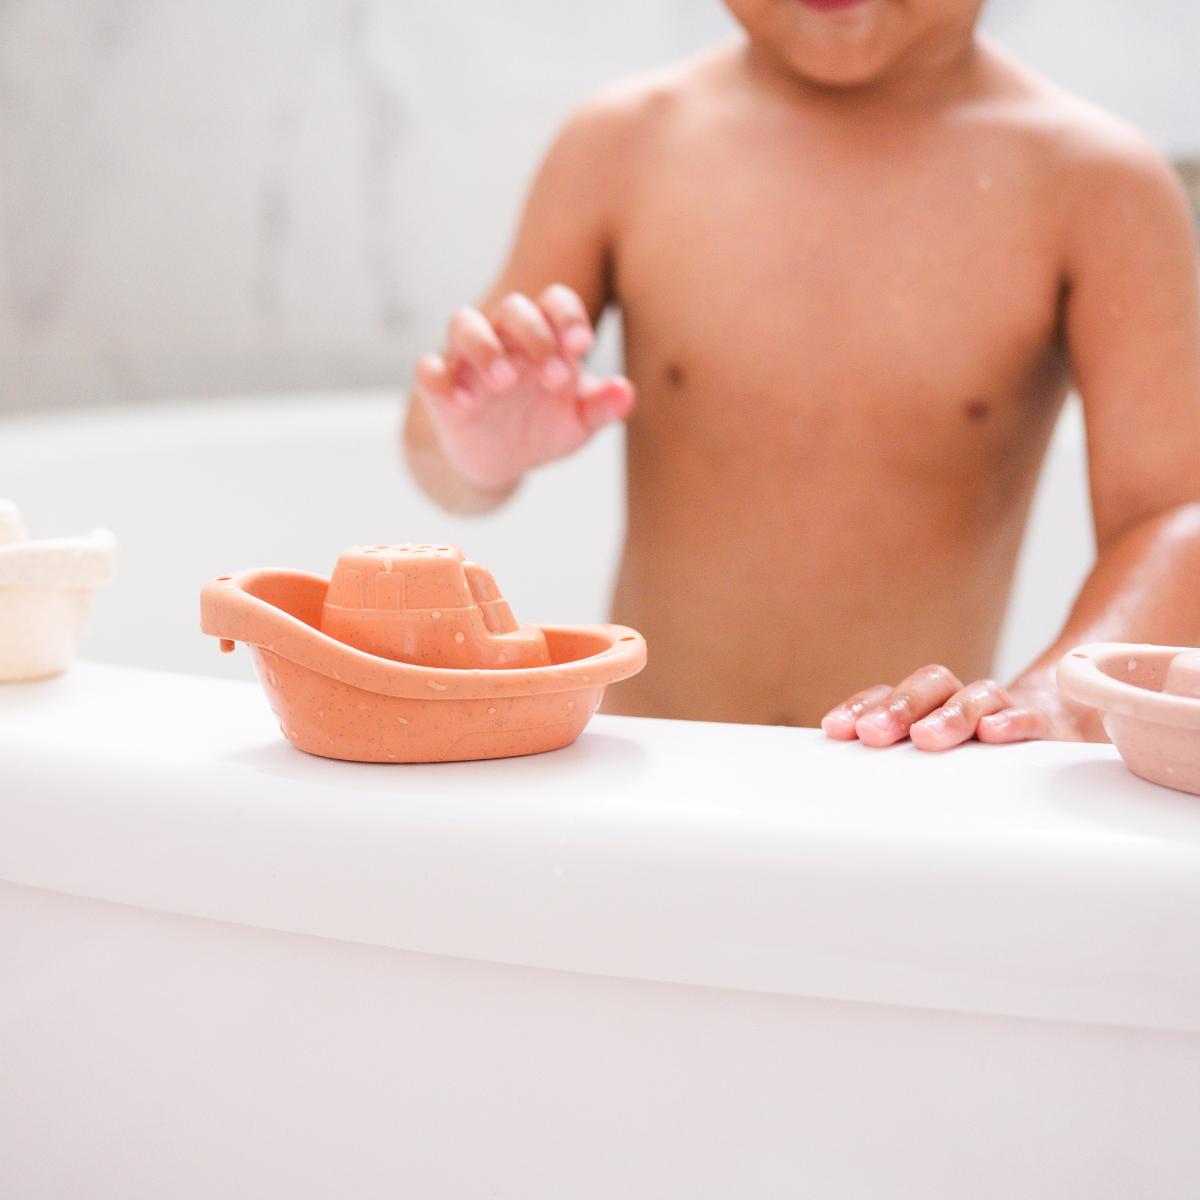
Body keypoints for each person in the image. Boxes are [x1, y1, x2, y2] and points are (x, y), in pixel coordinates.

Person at [404, 0, 1200, 751]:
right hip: (646, 771)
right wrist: (475, 450)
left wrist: (1061, 703)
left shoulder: (1093, 186)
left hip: (902, 785)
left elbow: (1170, 517)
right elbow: (438, 465)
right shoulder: (626, 143)